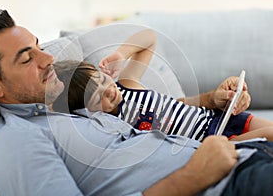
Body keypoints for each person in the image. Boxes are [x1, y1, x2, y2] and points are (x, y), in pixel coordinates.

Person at [0, 9, 273, 196]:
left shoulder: (68, 111)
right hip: (228, 181)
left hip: (243, 156)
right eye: (27, 58)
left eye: (39, 46)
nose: (48, 58)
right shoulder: (18, 140)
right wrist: (192, 176)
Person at [53, 29, 273, 142]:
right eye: (96, 97)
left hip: (219, 117)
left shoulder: (126, 85)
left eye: (102, 80)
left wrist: (122, 53)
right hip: (213, 141)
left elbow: (149, 38)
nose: (108, 91)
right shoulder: (111, 125)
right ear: (85, 111)